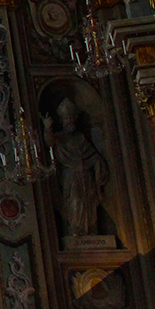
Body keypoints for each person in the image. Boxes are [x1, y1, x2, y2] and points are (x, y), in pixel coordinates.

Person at [44, 99, 108, 237]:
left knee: (89, 201)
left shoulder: (80, 137)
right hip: (70, 176)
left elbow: (92, 155)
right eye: (67, 118)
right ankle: (76, 230)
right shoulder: (60, 137)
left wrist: (98, 168)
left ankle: (91, 230)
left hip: (86, 175)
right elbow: (49, 141)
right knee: (75, 201)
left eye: (71, 118)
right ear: (62, 121)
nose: (69, 121)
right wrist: (47, 128)